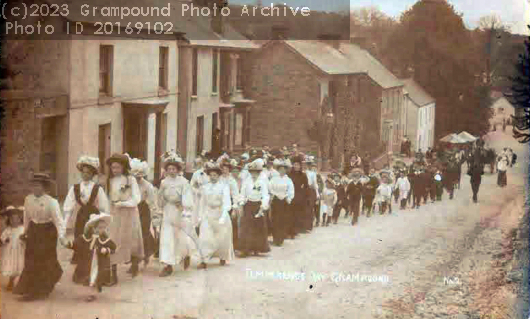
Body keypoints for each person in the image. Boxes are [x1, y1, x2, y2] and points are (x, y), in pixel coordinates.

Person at [14, 173, 67, 301]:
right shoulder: (28, 199)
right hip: (33, 230)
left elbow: (58, 221)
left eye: (38, 185)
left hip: (47, 232)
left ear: (44, 187)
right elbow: (27, 217)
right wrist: (25, 231)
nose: (35, 188)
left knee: (45, 259)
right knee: (31, 259)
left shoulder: (51, 202)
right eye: (33, 185)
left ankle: (41, 289)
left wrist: (61, 236)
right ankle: (30, 288)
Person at [158, 152, 198, 276]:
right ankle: (168, 264)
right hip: (168, 210)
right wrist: (160, 205)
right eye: (169, 169)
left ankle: (185, 254)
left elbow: (187, 197)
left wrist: (183, 205)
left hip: (179, 211)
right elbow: (160, 197)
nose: (171, 171)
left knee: (180, 236)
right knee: (166, 237)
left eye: (174, 169)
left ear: (178, 169)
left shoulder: (183, 182)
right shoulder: (164, 182)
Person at [63, 156, 109, 265]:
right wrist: (64, 223)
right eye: (83, 172)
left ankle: (92, 257)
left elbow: (104, 207)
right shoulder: (75, 188)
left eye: (88, 173)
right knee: (79, 234)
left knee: (92, 236)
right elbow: (68, 206)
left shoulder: (98, 188)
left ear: (93, 174)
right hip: (82, 215)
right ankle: (79, 256)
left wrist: (104, 222)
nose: (85, 175)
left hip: (93, 215)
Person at [105, 153, 143, 283]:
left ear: (123, 167)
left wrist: (124, 203)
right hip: (115, 213)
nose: (115, 170)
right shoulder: (110, 181)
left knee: (130, 239)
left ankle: (134, 263)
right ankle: (113, 274)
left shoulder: (130, 180)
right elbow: (108, 198)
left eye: (118, 168)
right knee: (113, 241)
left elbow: (137, 198)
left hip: (129, 213)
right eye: (113, 167)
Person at [66, 214, 116, 302]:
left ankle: (92, 294)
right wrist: (69, 244)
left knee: (95, 276)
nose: (102, 230)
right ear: (93, 228)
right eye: (100, 228)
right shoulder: (86, 238)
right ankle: (91, 292)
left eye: (104, 228)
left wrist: (106, 250)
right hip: (88, 261)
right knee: (89, 276)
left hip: (99, 262)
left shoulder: (105, 239)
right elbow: (77, 244)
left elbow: (113, 247)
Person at [197, 161, 234, 268]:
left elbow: (227, 202)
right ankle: (204, 260)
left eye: (215, 175)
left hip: (220, 213)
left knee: (221, 237)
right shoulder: (205, 187)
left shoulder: (224, 187)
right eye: (211, 175)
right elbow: (202, 203)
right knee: (205, 237)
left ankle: (222, 256)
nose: (213, 177)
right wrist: (200, 216)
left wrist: (223, 216)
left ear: (219, 176)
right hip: (208, 214)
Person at [130, 159, 159, 268]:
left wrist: (155, 215)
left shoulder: (147, 186)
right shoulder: (130, 183)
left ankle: (144, 255)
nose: (138, 177)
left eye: (140, 175)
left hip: (143, 209)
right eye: (135, 175)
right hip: (132, 208)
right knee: (133, 234)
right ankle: (135, 260)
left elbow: (152, 201)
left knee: (143, 232)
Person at [238, 159, 271, 256]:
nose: (254, 174)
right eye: (252, 172)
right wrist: (241, 204)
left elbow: (265, 195)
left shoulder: (262, 182)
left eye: (256, 172)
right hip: (248, 205)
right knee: (247, 227)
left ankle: (257, 248)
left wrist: (262, 207)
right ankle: (246, 249)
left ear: (259, 172)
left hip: (258, 206)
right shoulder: (246, 181)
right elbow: (242, 194)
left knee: (258, 227)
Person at [1, 206, 25, 292]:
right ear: (9, 220)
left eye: (16, 219)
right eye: (11, 219)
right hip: (10, 252)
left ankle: (21, 283)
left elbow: (26, 237)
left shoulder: (22, 229)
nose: (14, 221)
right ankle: (11, 282)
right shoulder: (8, 230)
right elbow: (3, 237)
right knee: (12, 266)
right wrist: (5, 240)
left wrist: (24, 239)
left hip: (20, 251)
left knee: (20, 266)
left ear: (20, 219)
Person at [219, 159, 241, 251]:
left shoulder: (232, 180)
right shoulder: (219, 178)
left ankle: (233, 246)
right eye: (223, 169)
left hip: (230, 202)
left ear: (229, 170)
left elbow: (235, 194)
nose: (225, 170)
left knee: (232, 224)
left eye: (226, 169)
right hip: (220, 203)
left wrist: (235, 206)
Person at [288, 155, 309, 238]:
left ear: (300, 166)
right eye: (295, 165)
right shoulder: (289, 174)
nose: (296, 166)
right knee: (290, 214)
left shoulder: (303, 175)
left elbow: (306, 186)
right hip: (290, 196)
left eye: (298, 165)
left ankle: (295, 230)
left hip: (299, 197)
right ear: (293, 165)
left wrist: (304, 196)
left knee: (297, 214)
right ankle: (290, 231)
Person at [305, 157, 319, 229]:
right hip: (305, 190)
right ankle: (306, 224)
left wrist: (317, 194)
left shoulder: (313, 173)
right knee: (306, 208)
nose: (309, 166)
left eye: (310, 164)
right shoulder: (304, 172)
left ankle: (311, 224)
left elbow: (315, 183)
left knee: (311, 207)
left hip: (311, 190)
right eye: (308, 164)